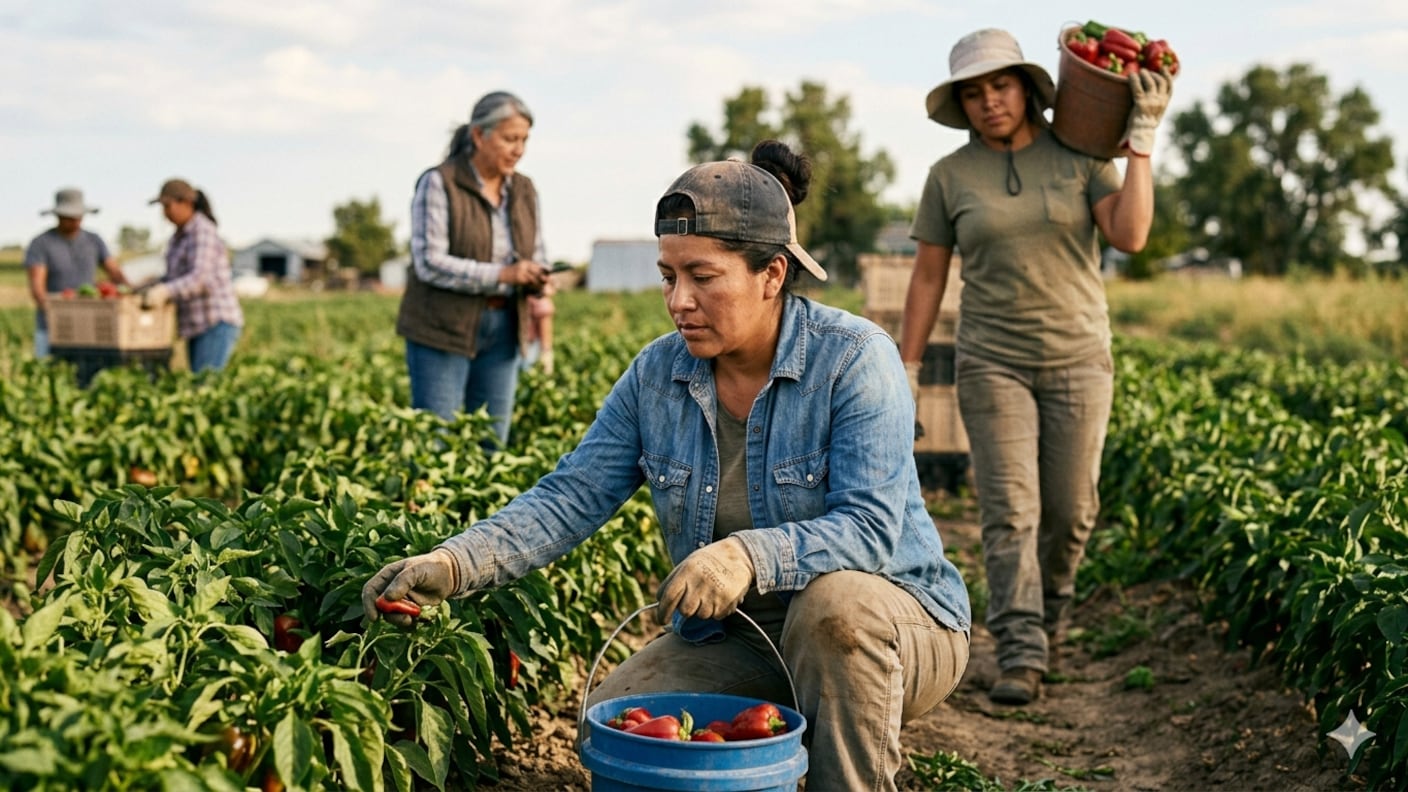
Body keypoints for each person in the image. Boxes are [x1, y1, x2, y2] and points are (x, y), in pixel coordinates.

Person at [364, 140, 972, 789]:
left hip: (897, 624)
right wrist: (454, 564)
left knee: (835, 610)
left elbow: (871, 530)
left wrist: (745, 556)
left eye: (703, 277)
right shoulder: (659, 374)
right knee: (617, 725)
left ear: (771, 275)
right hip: (742, 635)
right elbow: (570, 495)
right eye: (668, 276)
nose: (679, 299)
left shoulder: (853, 360)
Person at [899, 28, 1172, 706]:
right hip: (993, 362)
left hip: (1080, 357)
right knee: (1010, 511)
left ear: (1028, 88)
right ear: (961, 104)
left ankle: (1051, 610)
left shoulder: (1081, 156)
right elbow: (929, 278)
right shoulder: (949, 177)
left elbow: (1131, 235)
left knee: (1073, 510)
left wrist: (1141, 139)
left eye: (1000, 85)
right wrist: (904, 367)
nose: (989, 101)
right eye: (974, 92)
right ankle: (1019, 649)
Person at [395, 90, 552, 446]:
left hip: (505, 326)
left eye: (524, 140)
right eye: (510, 139)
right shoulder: (439, 183)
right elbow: (430, 263)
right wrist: (503, 275)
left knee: (490, 443)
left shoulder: (525, 190)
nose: (519, 149)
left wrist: (539, 277)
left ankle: (479, 507)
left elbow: (537, 250)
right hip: (443, 328)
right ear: (479, 136)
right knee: (436, 443)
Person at [141, 178, 244, 373]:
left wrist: (164, 291)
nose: (165, 213)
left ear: (186, 203)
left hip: (214, 322)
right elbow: (174, 277)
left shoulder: (202, 231)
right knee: (199, 383)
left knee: (204, 387)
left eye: (168, 206)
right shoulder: (178, 238)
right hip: (196, 324)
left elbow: (200, 279)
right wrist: (149, 285)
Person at [24, 187, 130, 358]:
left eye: (78, 217)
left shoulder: (93, 240)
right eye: (70, 218)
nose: (75, 222)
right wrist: (55, 311)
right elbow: (38, 288)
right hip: (52, 327)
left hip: (89, 329)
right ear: (58, 216)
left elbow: (114, 272)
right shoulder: (41, 244)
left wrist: (128, 291)